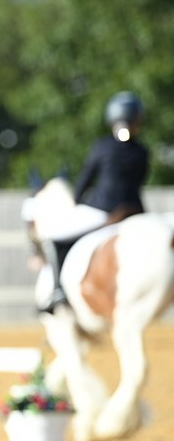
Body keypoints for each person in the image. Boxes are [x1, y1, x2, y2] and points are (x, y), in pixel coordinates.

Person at [37, 91, 150, 312]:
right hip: (135, 211)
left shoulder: (103, 146)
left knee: (54, 238)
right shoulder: (142, 151)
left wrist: (77, 201)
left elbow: (86, 179)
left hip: (102, 211)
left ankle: (58, 290)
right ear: (137, 120)